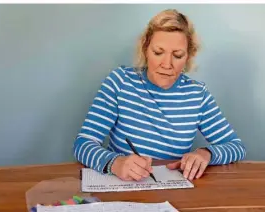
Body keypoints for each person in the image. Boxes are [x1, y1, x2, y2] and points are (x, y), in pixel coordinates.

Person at [73, 9, 246, 182]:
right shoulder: (120, 82)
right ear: (145, 50)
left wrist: (207, 153)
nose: (167, 64)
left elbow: (236, 147)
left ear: (188, 57)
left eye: (177, 55)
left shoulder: (197, 95)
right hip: (122, 189)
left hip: (171, 195)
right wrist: (115, 163)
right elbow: (83, 144)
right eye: (158, 52)